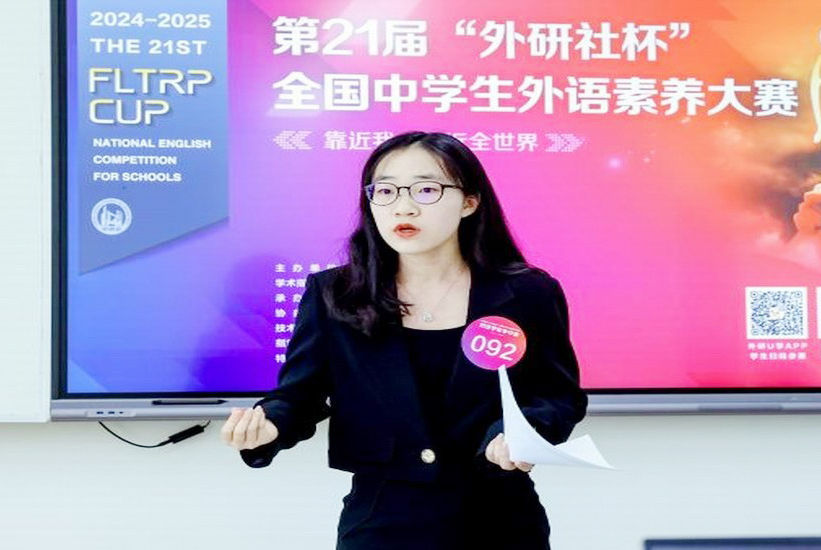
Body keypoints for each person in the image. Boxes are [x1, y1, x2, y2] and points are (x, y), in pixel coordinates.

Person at [221, 131, 588, 549]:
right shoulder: (335, 294)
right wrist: (269, 424)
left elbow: (557, 395)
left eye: (426, 189)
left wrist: (522, 432)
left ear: (469, 202)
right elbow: (300, 395)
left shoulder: (526, 292)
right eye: (386, 191)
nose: (404, 206)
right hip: (382, 521)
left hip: (501, 519)